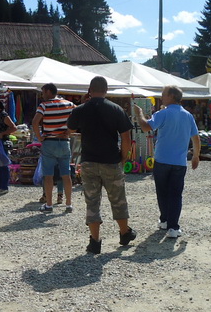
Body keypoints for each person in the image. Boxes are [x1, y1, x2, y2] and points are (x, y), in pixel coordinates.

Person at [68, 76, 136, 254]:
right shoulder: (116, 109)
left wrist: (82, 105)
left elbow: (71, 129)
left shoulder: (80, 110)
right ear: (106, 90)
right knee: (118, 199)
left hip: (88, 161)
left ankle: (95, 241)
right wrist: (124, 157)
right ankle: (124, 233)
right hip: (111, 160)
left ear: (89, 90)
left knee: (92, 202)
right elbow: (126, 137)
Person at [134, 85, 200, 239]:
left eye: (164, 94)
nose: (161, 97)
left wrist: (139, 114)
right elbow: (195, 137)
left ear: (171, 96)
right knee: (176, 195)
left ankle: (164, 220)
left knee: (162, 192)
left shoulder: (162, 113)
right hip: (179, 161)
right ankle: (173, 227)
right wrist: (196, 156)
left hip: (162, 159)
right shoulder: (188, 116)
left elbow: (145, 127)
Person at [32, 83, 74, 212]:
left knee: (48, 175)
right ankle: (68, 204)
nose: (42, 95)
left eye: (43, 92)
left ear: (49, 91)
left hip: (49, 142)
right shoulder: (69, 104)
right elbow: (77, 120)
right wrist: (69, 131)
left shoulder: (44, 105)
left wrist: (39, 137)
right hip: (64, 142)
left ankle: (49, 204)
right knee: (66, 175)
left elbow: (35, 122)